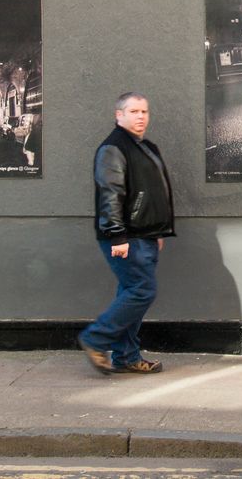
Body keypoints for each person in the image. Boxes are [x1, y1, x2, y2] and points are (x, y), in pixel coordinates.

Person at [78, 92, 175, 375]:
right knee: (142, 291)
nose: (141, 116)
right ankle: (95, 339)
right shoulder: (114, 148)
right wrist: (117, 237)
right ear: (118, 115)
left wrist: (158, 231)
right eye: (134, 111)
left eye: (144, 111)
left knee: (130, 293)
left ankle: (126, 356)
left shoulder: (145, 147)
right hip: (125, 237)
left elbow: (152, 192)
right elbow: (111, 195)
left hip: (144, 235)